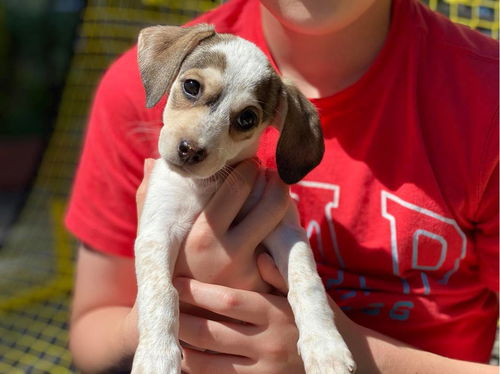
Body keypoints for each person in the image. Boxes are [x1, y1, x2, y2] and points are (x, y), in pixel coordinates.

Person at [65, 0, 499, 372]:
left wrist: (344, 354)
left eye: (246, 120)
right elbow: (91, 335)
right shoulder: (139, 86)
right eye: (193, 89)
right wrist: (155, 326)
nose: (197, 139)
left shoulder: (485, 101)